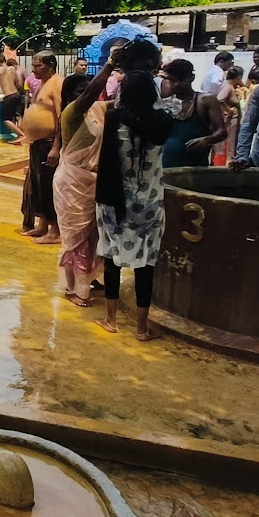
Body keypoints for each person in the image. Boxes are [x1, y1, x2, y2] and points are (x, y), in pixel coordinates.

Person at [95, 62, 170, 339]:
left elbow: (106, 158)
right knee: (146, 263)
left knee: (112, 258)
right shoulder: (164, 120)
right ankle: (141, 328)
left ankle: (111, 319)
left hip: (116, 200)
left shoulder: (115, 118)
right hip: (150, 202)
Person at [55, 57, 113, 306]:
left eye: (85, 91)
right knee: (75, 238)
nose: (84, 96)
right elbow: (91, 94)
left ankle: (87, 278)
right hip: (72, 183)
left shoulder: (97, 111)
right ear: (70, 96)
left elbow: (119, 103)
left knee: (93, 236)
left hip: (92, 181)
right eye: (79, 92)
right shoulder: (71, 113)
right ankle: (75, 290)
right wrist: (110, 64)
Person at [19, 52, 63, 243]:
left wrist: (56, 146)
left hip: (49, 143)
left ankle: (54, 230)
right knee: (38, 186)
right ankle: (43, 224)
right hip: (38, 143)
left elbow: (62, 116)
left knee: (48, 186)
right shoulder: (43, 84)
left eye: (38, 66)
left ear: (50, 65)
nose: (34, 69)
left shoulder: (57, 83)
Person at [158, 58, 225, 169]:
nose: (176, 84)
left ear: (192, 78)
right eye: (172, 80)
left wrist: (205, 140)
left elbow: (222, 132)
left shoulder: (205, 100)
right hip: (165, 167)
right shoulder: (164, 102)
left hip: (196, 169)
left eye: (181, 80)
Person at [216, 65, 244, 165]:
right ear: (239, 76)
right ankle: (227, 164)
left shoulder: (227, 85)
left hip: (230, 120)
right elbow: (220, 99)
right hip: (229, 121)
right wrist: (229, 111)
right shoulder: (227, 86)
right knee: (229, 143)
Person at [0, 54, 24, 142]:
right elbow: (17, 83)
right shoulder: (12, 69)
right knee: (18, 117)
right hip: (16, 94)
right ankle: (19, 137)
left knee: (6, 119)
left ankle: (21, 135)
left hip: (9, 96)